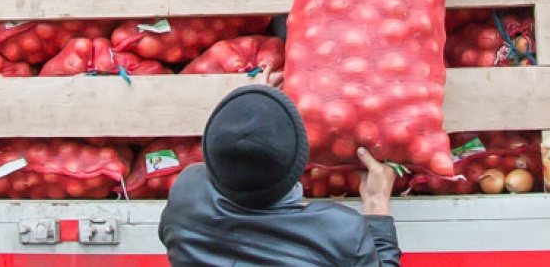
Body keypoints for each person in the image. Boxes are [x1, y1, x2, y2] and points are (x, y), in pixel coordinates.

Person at [158, 77, 400, 266]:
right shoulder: (343, 231)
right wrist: (377, 206)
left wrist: (255, 106)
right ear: (299, 165)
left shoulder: (185, 195)